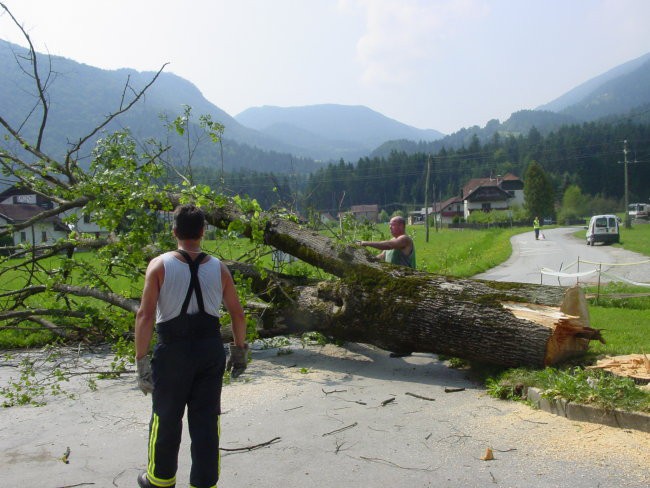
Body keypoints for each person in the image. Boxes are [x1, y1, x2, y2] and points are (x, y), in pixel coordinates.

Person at [134, 204, 248, 488]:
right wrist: (239, 350)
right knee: (207, 421)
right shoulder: (219, 267)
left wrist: (141, 360)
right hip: (210, 351)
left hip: (173, 351)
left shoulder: (159, 265)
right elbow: (237, 313)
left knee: (166, 417)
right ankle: (204, 483)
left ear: (174, 231)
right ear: (202, 232)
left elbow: (145, 315)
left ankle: (159, 480)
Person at [357, 215, 415, 358]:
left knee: (401, 316)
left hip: (406, 283)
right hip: (394, 284)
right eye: (389, 224)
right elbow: (380, 257)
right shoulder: (392, 244)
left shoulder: (404, 240)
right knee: (394, 314)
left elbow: (388, 245)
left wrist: (365, 243)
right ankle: (397, 342)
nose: (390, 227)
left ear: (401, 226)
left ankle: (405, 347)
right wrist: (363, 259)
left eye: (392, 224)